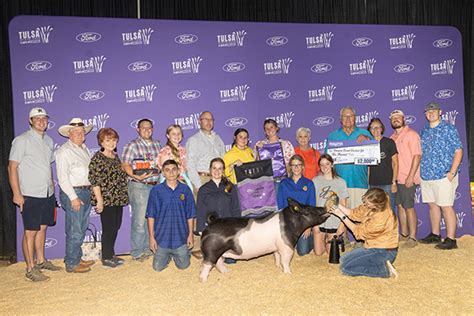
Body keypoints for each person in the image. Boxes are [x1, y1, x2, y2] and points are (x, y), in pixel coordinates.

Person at [8, 107, 61, 282]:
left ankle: (41, 260)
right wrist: (17, 193)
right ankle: (30, 268)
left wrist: (52, 188)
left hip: (47, 192)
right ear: (30, 121)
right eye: (36, 118)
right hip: (30, 193)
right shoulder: (21, 140)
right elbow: (12, 167)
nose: (41, 121)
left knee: (43, 227)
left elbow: (47, 166)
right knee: (30, 231)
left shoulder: (49, 140)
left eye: (44, 118)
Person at [419, 102, 463, 250]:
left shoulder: (449, 129)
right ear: (425, 114)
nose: (431, 113)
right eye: (428, 111)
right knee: (432, 205)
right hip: (427, 175)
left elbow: (458, 151)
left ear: (440, 112)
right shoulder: (424, 131)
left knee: (446, 206)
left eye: (434, 111)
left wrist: (451, 172)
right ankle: (435, 234)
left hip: (444, 175)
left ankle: (451, 239)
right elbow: (421, 154)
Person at [330, 188, 399, 278]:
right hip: (372, 247)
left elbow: (359, 233)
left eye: (367, 203)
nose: (365, 204)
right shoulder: (374, 205)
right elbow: (354, 213)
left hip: (384, 251)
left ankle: (385, 271)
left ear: (376, 205)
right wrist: (337, 205)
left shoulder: (381, 218)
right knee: (343, 260)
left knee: (346, 268)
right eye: (365, 201)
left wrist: (341, 216)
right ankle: (378, 264)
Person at [56, 118, 96, 273]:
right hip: (74, 192)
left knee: (80, 226)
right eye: (76, 132)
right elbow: (63, 178)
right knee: (75, 229)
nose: (80, 134)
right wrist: (73, 197)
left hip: (85, 191)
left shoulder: (84, 149)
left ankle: (76, 257)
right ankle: (72, 263)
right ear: (69, 134)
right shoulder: (64, 151)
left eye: (82, 132)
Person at [121, 118, 161, 261]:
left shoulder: (157, 145)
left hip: (154, 186)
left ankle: (148, 248)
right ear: (138, 129)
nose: (146, 130)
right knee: (139, 220)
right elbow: (125, 164)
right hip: (138, 185)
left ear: (152, 129)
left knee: (150, 218)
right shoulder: (132, 145)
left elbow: (160, 164)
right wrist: (133, 175)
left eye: (149, 128)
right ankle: (137, 251)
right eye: (143, 128)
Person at [146, 159, 196, 271]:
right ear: (163, 173)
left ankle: (182, 253)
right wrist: (151, 237)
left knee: (184, 266)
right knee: (157, 268)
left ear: (178, 171)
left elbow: (190, 215)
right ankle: (167, 256)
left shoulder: (185, 190)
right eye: (167, 170)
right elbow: (151, 216)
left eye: (174, 169)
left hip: (180, 238)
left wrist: (190, 235)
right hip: (162, 239)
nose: (171, 172)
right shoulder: (156, 191)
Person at [89, 128, 129, 268]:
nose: (111, 143)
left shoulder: (115, 157)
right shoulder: (97, 158)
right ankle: (106, 257)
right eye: (107, 140)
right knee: (108, 228)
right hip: (106, 199)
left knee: (115, 226)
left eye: (113, 140)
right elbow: (94, 181)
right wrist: (99, 200)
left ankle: (111, 253)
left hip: (117, 198)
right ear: (101, 142)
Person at [196, 158, 241, 264]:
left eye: (220, 168)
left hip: (228, 228)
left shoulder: (230, 187)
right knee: (213, 259)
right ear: (210, 170)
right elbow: (200, 210)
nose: (217, 171)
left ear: (223, 170)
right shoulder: (203, 190)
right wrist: (202, 230)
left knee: (231, 261)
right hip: (212, 228)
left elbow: (236, 207)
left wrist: (237, 226)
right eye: (214, 168)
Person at [327, 106, 372, 209]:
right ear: (340, 119)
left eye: (350, 116)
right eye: (345, 116)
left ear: (355, 118)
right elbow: (328, 161)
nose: (348, 119)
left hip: (360, 184)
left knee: (360, 218)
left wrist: (367, 139)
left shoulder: (365, 133)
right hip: (339, 185)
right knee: (341, 220)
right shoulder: (332, 136)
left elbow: (374, 154)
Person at [389, 109, 421, 248]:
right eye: (393, 118)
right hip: (397, 179)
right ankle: (404, 234)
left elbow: (417, 156)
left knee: (409, 207)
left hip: (408, 178)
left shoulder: (412, 134)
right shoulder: (391, 138)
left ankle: (413, 237)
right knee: (400, 206)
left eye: (398, 117)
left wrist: (411, 176)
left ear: (404, 119)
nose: (396, 120)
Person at [277, 154, 316, 256]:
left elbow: (312, 206)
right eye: (294, 165)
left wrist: (308, 227)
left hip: (303, 222)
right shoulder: (283, 183)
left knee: (302, 252)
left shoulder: (309, 183)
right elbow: (280, 206)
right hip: (288, 222)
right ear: (290, 167)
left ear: (303, 166)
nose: (296, 168)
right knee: (287, 250)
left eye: (299, 165)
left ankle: (313, 239)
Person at [312, 154, 349, 256]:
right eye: (322, 165)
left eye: (327, 164)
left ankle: (334, 239)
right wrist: (314, 223)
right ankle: (324, 240)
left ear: (332, 164)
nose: (325, 167)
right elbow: (313, 203)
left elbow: (344, 205)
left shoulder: (341, 182)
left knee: (331, 254)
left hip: (334, 221)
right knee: (318, 253)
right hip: (320, 220)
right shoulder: (315, 181)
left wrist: (342, 225)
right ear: (319, 167)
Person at [185, 111, 225, 195]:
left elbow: (223, 160)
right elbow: (190, 164)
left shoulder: (218, 139)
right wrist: (198, 185)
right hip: (202, 179)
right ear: (199, 121)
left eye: (211, 120)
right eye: (206, 119)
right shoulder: (194, 140)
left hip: (218, 180)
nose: (209, 122)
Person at [367, 118, 398, 211]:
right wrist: (368, 183)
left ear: (381, 128)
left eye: (377, 127)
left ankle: (392, 226)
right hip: (373, 184)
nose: (375, 130)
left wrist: (394, 182)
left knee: (389, 210)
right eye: (372, 128)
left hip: (387, 183)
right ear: (369, 130)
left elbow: (395, 163)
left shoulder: (389, 142)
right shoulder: (368, 144)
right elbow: (368, 166)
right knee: (375, 212)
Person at [157, 124, 192, 189]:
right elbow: (167, 171)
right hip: (170, 185)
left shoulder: (183, 150)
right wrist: (180, 182)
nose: (177, 136)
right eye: (173, 134)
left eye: (179, 133)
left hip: (183, 182)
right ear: (168, 135)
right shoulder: (165, 151)